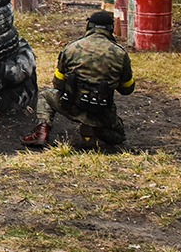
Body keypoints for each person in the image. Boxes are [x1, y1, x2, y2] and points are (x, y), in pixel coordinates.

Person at [22, 9, 135, 150]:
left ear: (89, 26)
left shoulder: (71, 48)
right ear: (111, 29)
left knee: (45, 96)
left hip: (73, 106)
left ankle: (41, 133)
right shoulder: (120, 53)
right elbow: (127, 89)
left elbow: (58, 83)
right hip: (103, 111)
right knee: (118, 136)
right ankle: (95, 129)